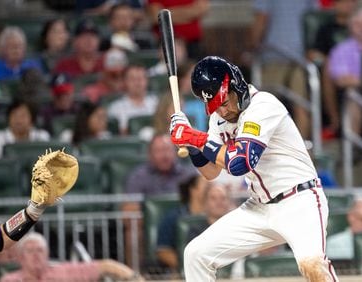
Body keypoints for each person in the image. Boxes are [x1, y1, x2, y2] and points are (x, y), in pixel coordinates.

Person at [169, 56, 338, 281]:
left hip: (299, 202)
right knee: (196, 254)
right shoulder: (218, 119)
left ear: (235, 86)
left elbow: (240, 163)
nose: (222, 110)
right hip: (259, 208)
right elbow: (211, 172)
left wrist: (195, 137)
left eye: (224, 101)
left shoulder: (263, 105)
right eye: (215, 106)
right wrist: (191, 145)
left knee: (313, 265)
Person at [121, 134, 195, 268]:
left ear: (175, 152)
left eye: (168, 150)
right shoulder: (139, 176)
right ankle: (135, 275)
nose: (165, 155)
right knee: (132, 230)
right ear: (150, 154)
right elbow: (128, 209)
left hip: (183, 222)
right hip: (150, 224)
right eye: (159, 151)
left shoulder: (188, 174)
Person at [249, 0, 319, 140]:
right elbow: (314, 19)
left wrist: (251, 48)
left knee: (262, 108)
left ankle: (259, 149)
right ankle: (300, 151)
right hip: (299, 57)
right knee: (301, 106)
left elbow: (261, 20)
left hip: (273, 56)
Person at [0, 232, 143, 282]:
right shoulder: (10, 280)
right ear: (20, 258)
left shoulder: (64, 271)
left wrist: (136, 279)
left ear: (48, 254)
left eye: (40, 251)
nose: (36, 255)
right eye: (30, 251)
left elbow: (107, 265)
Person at [156, 173, 207, 275]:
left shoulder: (216, 216)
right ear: (193, 190)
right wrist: (188, 267)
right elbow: (162, 251)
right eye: (207, 186)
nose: (211, 189)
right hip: (182, 272)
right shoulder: (173, 218)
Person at [107, 65, 158, 135]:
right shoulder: (116, 107)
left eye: (140, 79)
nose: (137, 83)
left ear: (147, 81)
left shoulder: (157, 103)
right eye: (133, 79)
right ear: (125, 82)